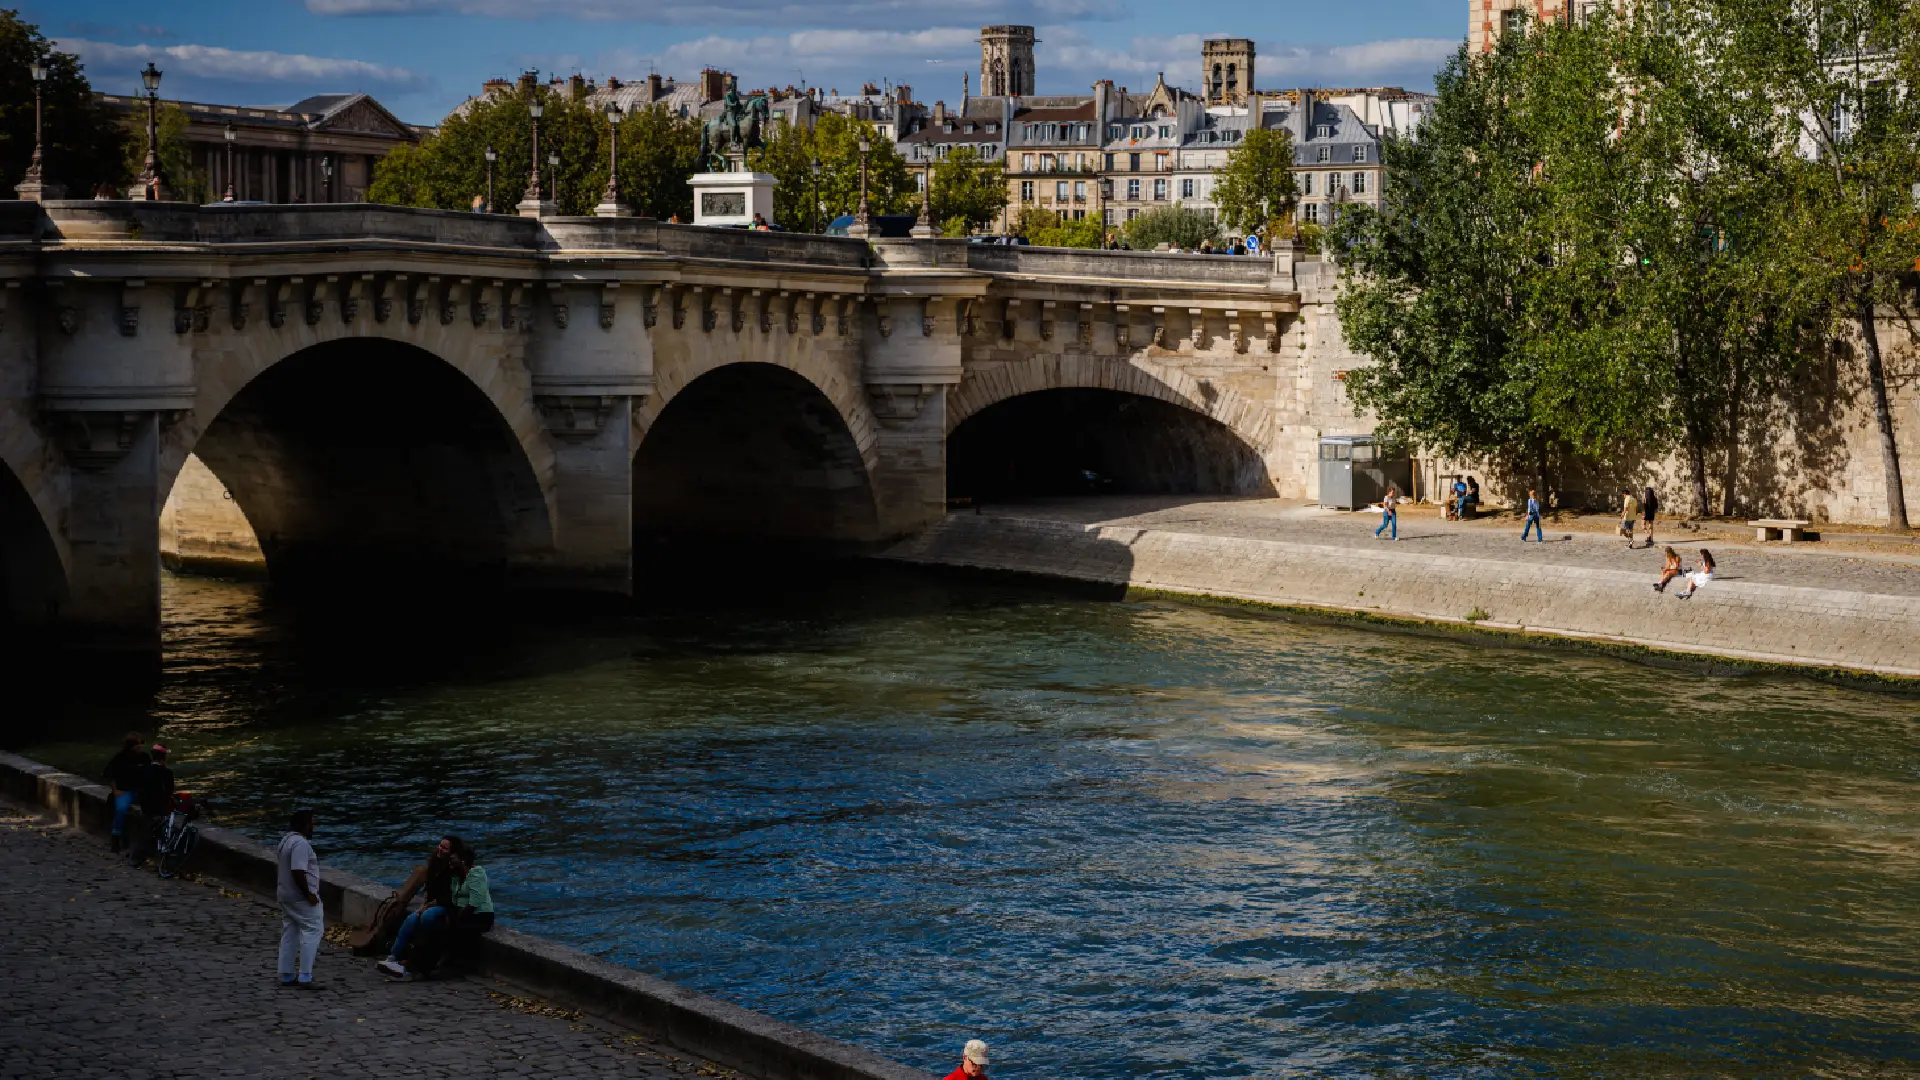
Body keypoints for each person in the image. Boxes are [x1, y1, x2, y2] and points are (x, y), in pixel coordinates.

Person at [379, 837, 457, 980]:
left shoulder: (454, 870)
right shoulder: (434, 865)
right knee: (412, 918)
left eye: (445, 848)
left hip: (447, 907)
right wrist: (425, 904)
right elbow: (430, 890)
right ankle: (394, 956)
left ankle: (413, 961)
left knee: (427, 917)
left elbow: (452, 898)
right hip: (435, 904)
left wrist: (428, 906)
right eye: (440, 845)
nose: (440, 849)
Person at [276, 808, 323, 986]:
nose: (314, 827)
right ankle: (305, 975)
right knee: (313, 929)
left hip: (285, 894)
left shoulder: (285, 840)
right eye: (312, 823)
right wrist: (308, 894)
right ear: (304, 825)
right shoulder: (301, 844)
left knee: (290, 931)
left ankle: (286, 972)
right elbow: (298, 871)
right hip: (299, 897)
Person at [125, 744, 175, 868]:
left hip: (145, 805)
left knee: (144, 827)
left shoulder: (143, 769)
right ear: (164, 758)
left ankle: (136, 854)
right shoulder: (167, 772)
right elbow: (169, 791)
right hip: (159, 808)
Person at [102, 732, 148, 854]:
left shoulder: (145, 757)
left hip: (141, 791)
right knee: (121, 809)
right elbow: (108, 774)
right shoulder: (120, 757)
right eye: (138, 744)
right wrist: (115, 790)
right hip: (125, 791)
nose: (140, 747)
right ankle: (116, 837)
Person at [1640, 485, 1659, 549]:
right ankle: (1651, 538)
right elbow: (1656, 507)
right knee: (1651, 526)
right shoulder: (1654, 498)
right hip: (1652, 513)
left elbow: (1644, 506)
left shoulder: (1645, 498)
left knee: (1643, 525)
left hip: (1646, 513)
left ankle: (1648, 535)